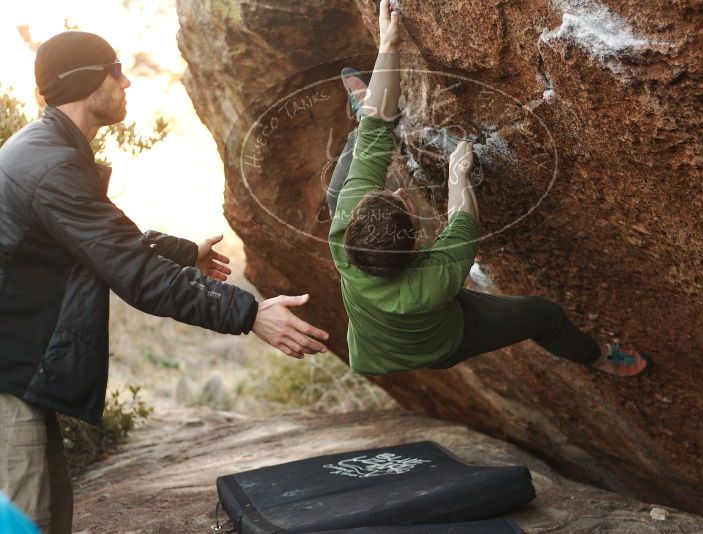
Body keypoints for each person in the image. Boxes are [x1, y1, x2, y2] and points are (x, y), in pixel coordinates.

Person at [0, 31, 330, 533]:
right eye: (115, 70)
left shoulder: (44, 148)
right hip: (8, 380)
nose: (127, 80)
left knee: (46, 519)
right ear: (87, 82)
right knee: (31, 522)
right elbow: (137, 275)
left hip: (18, 371)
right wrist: (251, 314)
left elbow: (103, 239)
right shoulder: (51, 164)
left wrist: (182, 251)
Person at [328, 0, 650, 378]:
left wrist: (389, 46)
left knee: (350, 170)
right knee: (543, 315)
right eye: (401, 204)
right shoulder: (437, 277)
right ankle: (598, 359)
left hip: (374, 345)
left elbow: (375, 129)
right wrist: (458, 177)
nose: (399, 193)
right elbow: (462, 217)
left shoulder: (345, 232)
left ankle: (363, 108)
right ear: (418, 245)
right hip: (441, 342)